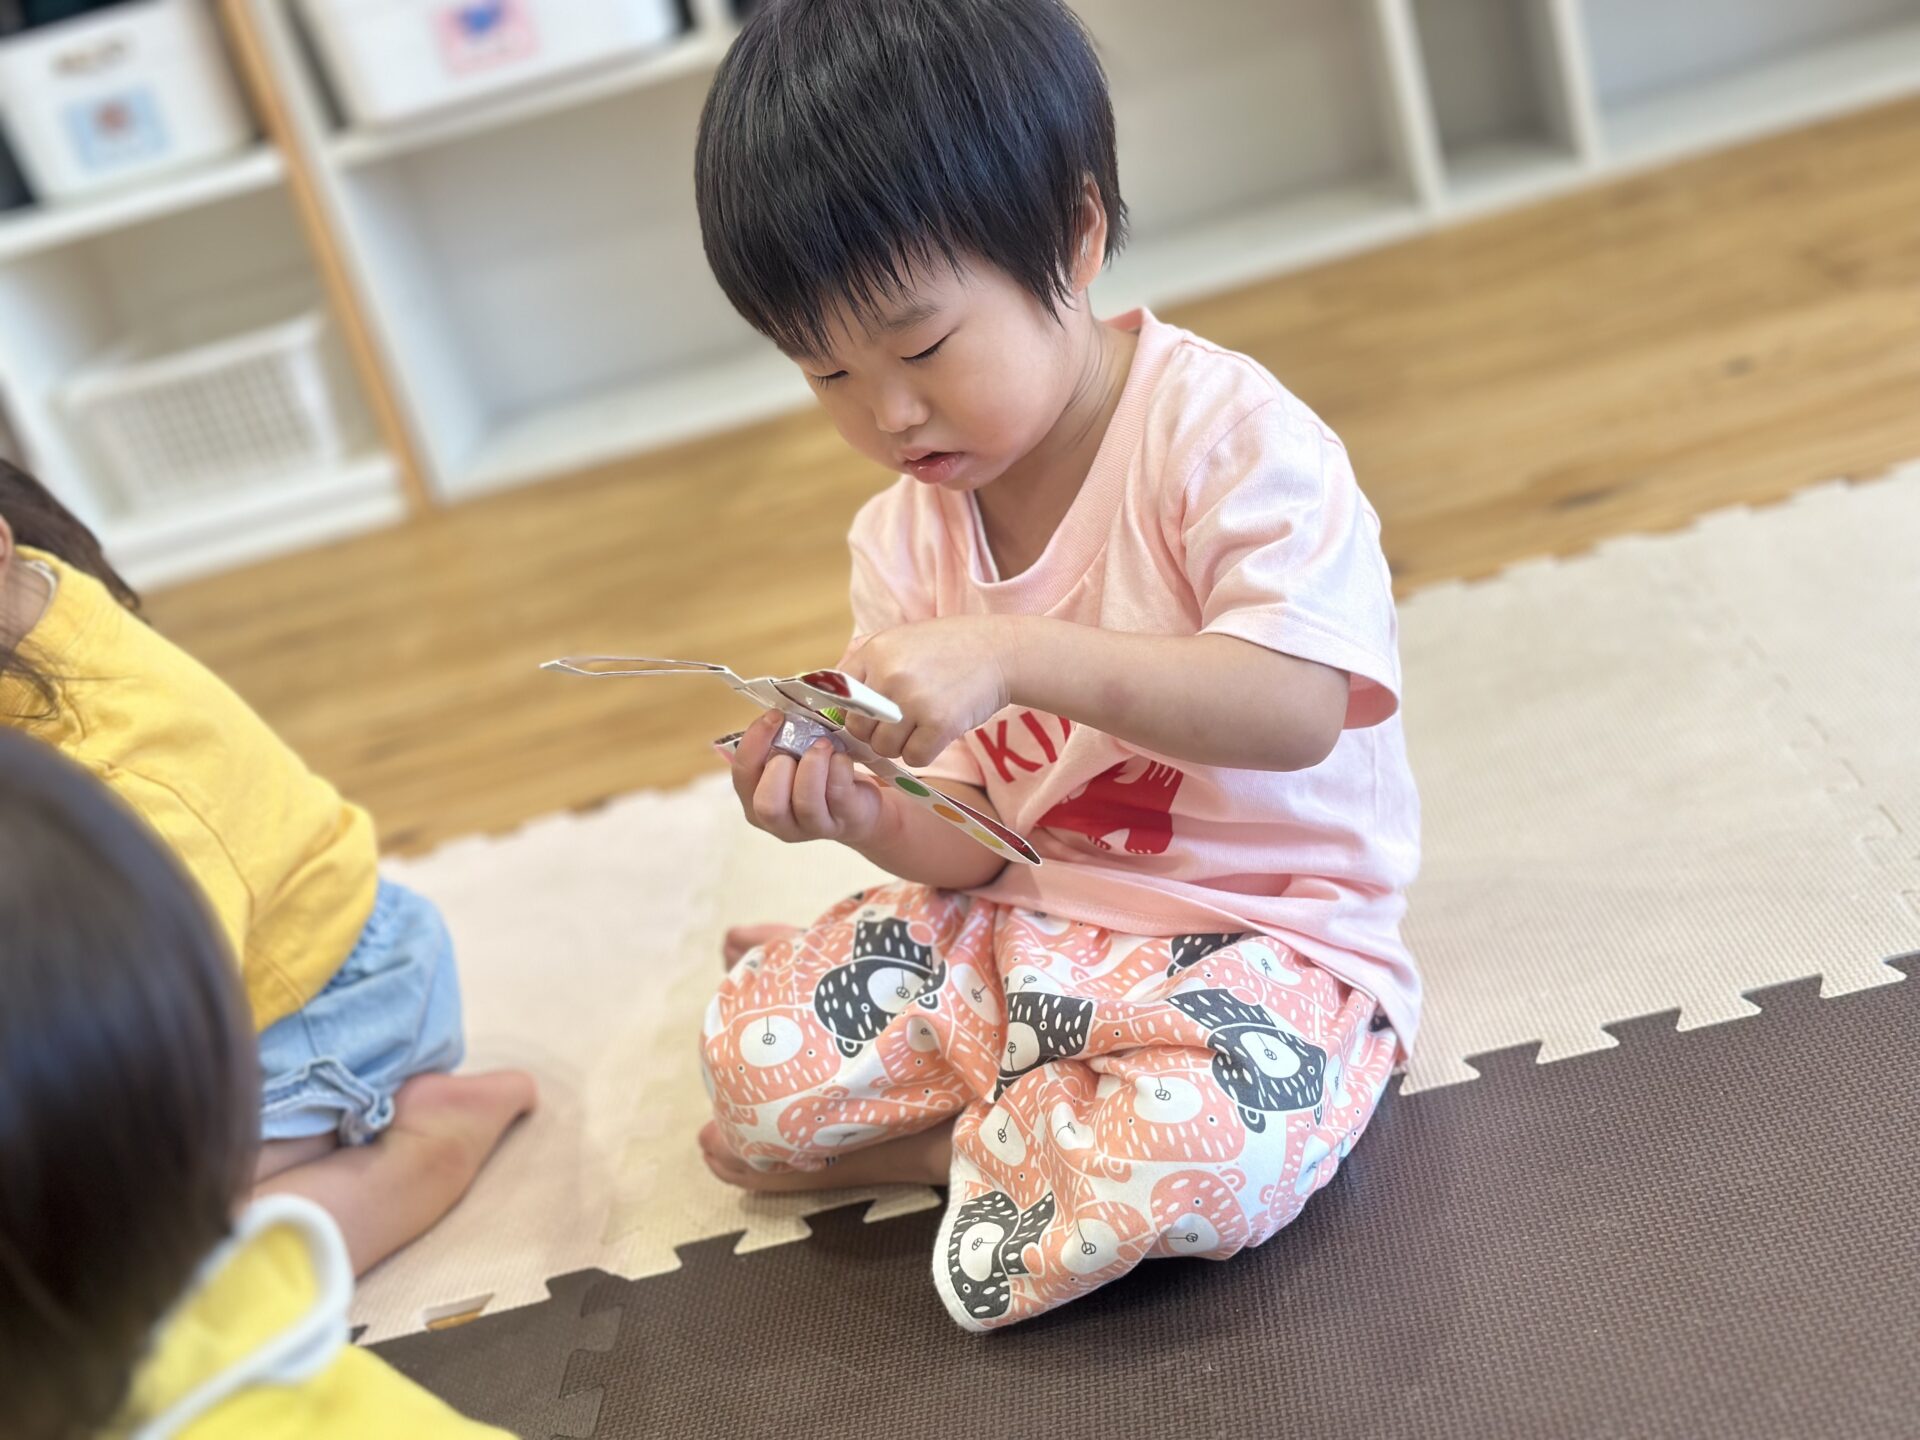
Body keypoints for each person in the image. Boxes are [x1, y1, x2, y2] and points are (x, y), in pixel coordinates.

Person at [690, 0, 1420, 1329]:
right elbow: (972, 844)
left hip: (1255, 935)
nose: (888, 411)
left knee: (1203, 1156)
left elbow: (1296, 707)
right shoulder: (901, 537)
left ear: (1075, 237)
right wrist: (859, 810)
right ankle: (1036, 1126)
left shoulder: (1228, 436)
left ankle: (969, 1141)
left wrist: (1015, 654)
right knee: (750, 1064)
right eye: (825, 371)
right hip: (1026, 923)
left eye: (922, 346)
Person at [0, 461, 534, 1276]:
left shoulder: (115, 775)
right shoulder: (30, 602)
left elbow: (157, 1031)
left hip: (323, 1010)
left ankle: (430, 1142)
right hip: (266, 958)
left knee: (136, 1257)